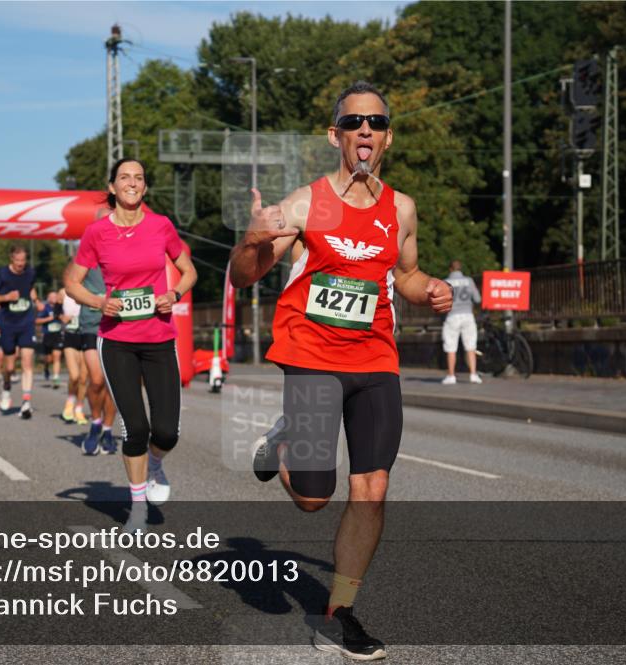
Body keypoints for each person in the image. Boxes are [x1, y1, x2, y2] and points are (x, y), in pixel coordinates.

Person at [229, 81, 453, 660]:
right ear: (336, 135)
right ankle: (284, 444)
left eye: (376, 123)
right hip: (311, 358)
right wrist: (252, 240)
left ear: (387, 138)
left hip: (375, 358)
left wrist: (426, 288)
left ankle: (340, 612)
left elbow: (403, 273)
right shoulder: (303, 205)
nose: (365, 132)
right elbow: (242, 277)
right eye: (354, 122)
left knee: (373, 490)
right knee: (312, 499)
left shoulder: (400, 208)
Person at [64, 157, 197, 533]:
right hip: (117, 340)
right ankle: (137, 505)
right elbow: (71, 282)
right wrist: (97, 302)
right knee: (135, 428)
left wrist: (174, 292)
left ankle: (156, 463)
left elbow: (189, 271)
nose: (132, 183)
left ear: (145, 188)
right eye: (125, 177)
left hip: (159, 338)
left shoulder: (161, 226)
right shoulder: (97, 233)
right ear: (112, 187)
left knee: (167, 431)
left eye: (139, 178)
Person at [0, 245, 39, 419]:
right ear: (11, 259)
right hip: (8, 323)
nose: (20, 264)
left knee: (27, 362)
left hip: (26, 322)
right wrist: (6, 297)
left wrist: (36, 300)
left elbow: (31, 287)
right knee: (9, 367)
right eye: (17, 261)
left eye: (23, 261)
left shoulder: (30, 273)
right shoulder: (2, 274)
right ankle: (6, 388)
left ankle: (26, 402)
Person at [72, 266, 118, 454]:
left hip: (118, 325)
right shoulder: (86, 254)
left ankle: (107, 430)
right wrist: (95, 300)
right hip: (91, 325)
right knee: (97, 380)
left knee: (112, 383)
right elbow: (71, 285)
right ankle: (95, 424)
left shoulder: (122, 250)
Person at [441, 260, 482, 385]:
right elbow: (477, 299)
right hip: (468, 315)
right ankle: (473, 374)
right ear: (461, 269)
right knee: (470, 346)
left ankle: (451, 375)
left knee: (451, 347)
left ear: (450, 269)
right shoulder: (469, 281)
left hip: (452, 316)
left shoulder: (445, 282)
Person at [59, 289, 91, 426]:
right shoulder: (63, 292)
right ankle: (70, 402)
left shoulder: (91, 290)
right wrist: (61, 317)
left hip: (87, 334)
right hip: (71, 335)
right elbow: (53, 309)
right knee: (74, 375)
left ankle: (79, 408)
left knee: (84, 378)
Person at [38, 292, 64, 388]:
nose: (53, 298)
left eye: (55, 296)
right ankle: (46, 367)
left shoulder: (61, 307)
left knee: (57, 356)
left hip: (58, 334)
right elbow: (37, 321)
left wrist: (62, 317)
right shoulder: (45, 308)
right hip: (47, 335)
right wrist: (49, 318)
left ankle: (56, 377)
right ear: (48, 298)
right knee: (49, 359)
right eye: (51, 296)